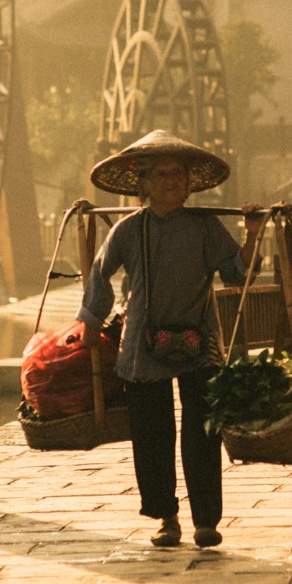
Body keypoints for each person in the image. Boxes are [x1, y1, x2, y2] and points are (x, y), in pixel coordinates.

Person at [76, 130, 266, 549]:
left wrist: (252, 234)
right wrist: (91, 318)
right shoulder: (128, 229)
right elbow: (99, 273)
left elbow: (237, 273)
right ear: (143, 184)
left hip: (199, 340)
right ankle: (166, 516)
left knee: (202, 431)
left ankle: (205, 520)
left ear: (189, 182)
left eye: (177, 174)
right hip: (142, 345)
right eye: (161, 174)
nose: (170, 182)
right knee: (152, 435)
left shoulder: (204, 226)